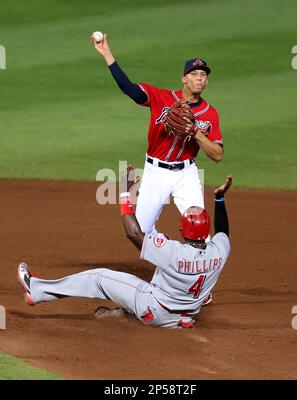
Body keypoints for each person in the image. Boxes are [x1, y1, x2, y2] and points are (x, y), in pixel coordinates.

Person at [17, 170, 232, 329]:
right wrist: (219, 199)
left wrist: (125, 194)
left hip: (154, 311)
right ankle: (124, 313)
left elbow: (133, 233)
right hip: (184, 317)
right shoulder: (219, 252)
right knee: (154, 276)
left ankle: (35, 290)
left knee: (99, 278)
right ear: (206, 231)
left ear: (182, 228)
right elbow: (223, 232)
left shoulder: (172, 252)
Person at [91, 34, 224, 234]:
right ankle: (166, 257)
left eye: (203, 75)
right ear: (184, 79)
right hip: (156, 173)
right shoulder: (160, 97)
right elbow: (129, 89)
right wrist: (107, 55)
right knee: (141, 232)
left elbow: (217, 155)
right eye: (194, 73)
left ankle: (192, 264)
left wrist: (195, 132)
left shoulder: (210, 113)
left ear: (206, 82)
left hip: (186, 175)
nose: (199, 77)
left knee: (200, 230)